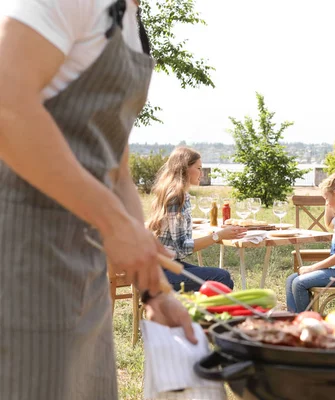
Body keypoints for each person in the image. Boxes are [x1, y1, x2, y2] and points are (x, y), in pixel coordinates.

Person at [0, 1, 197, 399]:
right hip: (21, 264)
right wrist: (112, 223)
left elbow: (117, 171)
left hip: (83, 278)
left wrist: (154, 291)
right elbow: (7, 104)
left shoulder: (130, 25)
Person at [147, 146, 246, 291]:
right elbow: (181, 249)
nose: (202, 173)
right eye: (199, 168)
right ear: (185, 169)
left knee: (225, 281)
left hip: (165, 264)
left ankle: (205, 313)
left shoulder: (178, 194)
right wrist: (217, 236)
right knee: (222, 278)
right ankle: (203, 312)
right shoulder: (176, 197)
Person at [285, 172, 335, 313]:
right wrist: (327, 201)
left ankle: (306, 322)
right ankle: (293, 318)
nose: (327, 203)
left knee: (299, 283)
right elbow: (329, 222)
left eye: (327, 199)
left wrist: (311, 268)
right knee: (291, 279)